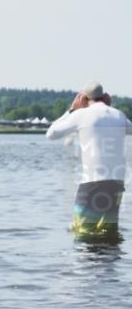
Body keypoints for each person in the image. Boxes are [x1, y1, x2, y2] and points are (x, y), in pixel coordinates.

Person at [45, 81, 132, 239]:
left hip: (92, 183)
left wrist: (71, 111)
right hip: (116, 185)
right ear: (105, 97)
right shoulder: (119, 114)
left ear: (83, 99)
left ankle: (88, 264)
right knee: (109, 235)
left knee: (83, 233)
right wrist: (109, 108)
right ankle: (112, 264)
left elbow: (51, 134)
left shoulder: (80, 115)